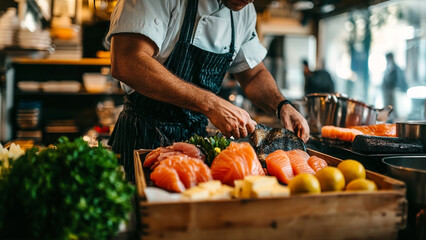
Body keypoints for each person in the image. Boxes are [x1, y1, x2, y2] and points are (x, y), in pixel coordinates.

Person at [106, 0, 309, 181]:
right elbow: (127, 61)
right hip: (142, 135)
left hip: (196, 146)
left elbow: (253, 74)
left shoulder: (244, 11)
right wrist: (210, 103)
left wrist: (282, 105)